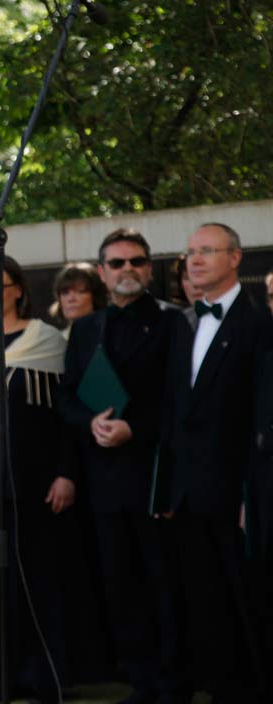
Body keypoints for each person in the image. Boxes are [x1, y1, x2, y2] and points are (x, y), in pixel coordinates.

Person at [0, 256, 109, 703]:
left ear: (19, 290)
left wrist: (66, 473)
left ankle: (43, 675)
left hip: (36, 486)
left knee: (38, 583)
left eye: (0, 285)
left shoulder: (47, 342)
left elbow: (68, 417)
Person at [57, 229, 187, 704]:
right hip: (104, 482)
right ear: (103, 273)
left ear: (149, 269)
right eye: (116, 263)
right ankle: (141, 680)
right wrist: (90, 421)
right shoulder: (87, 328)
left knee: (164, 584)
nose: (127, 269)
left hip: (154, 476)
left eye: (136, 261)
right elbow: (66, 396)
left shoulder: (175, 324)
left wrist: (136, 428)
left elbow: (180, 401)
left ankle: (174, 683)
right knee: (120, 586)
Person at [157, 223, 273, 702]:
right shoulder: (181, 324)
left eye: (207, 251)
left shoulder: (260, 325)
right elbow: (171, 413)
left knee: (248, 604)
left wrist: (253, 494)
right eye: (190, 252)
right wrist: (164, 488)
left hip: (236, 493)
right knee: (204, 604)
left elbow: (262, 415)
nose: (195, 260)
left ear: (235, 258)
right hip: (187, 494)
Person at [50, 262, 108, 337]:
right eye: (65, 292)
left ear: (95, 296)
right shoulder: (59, 340)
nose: (71, 299)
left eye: (80, 291)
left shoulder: (111, 334)